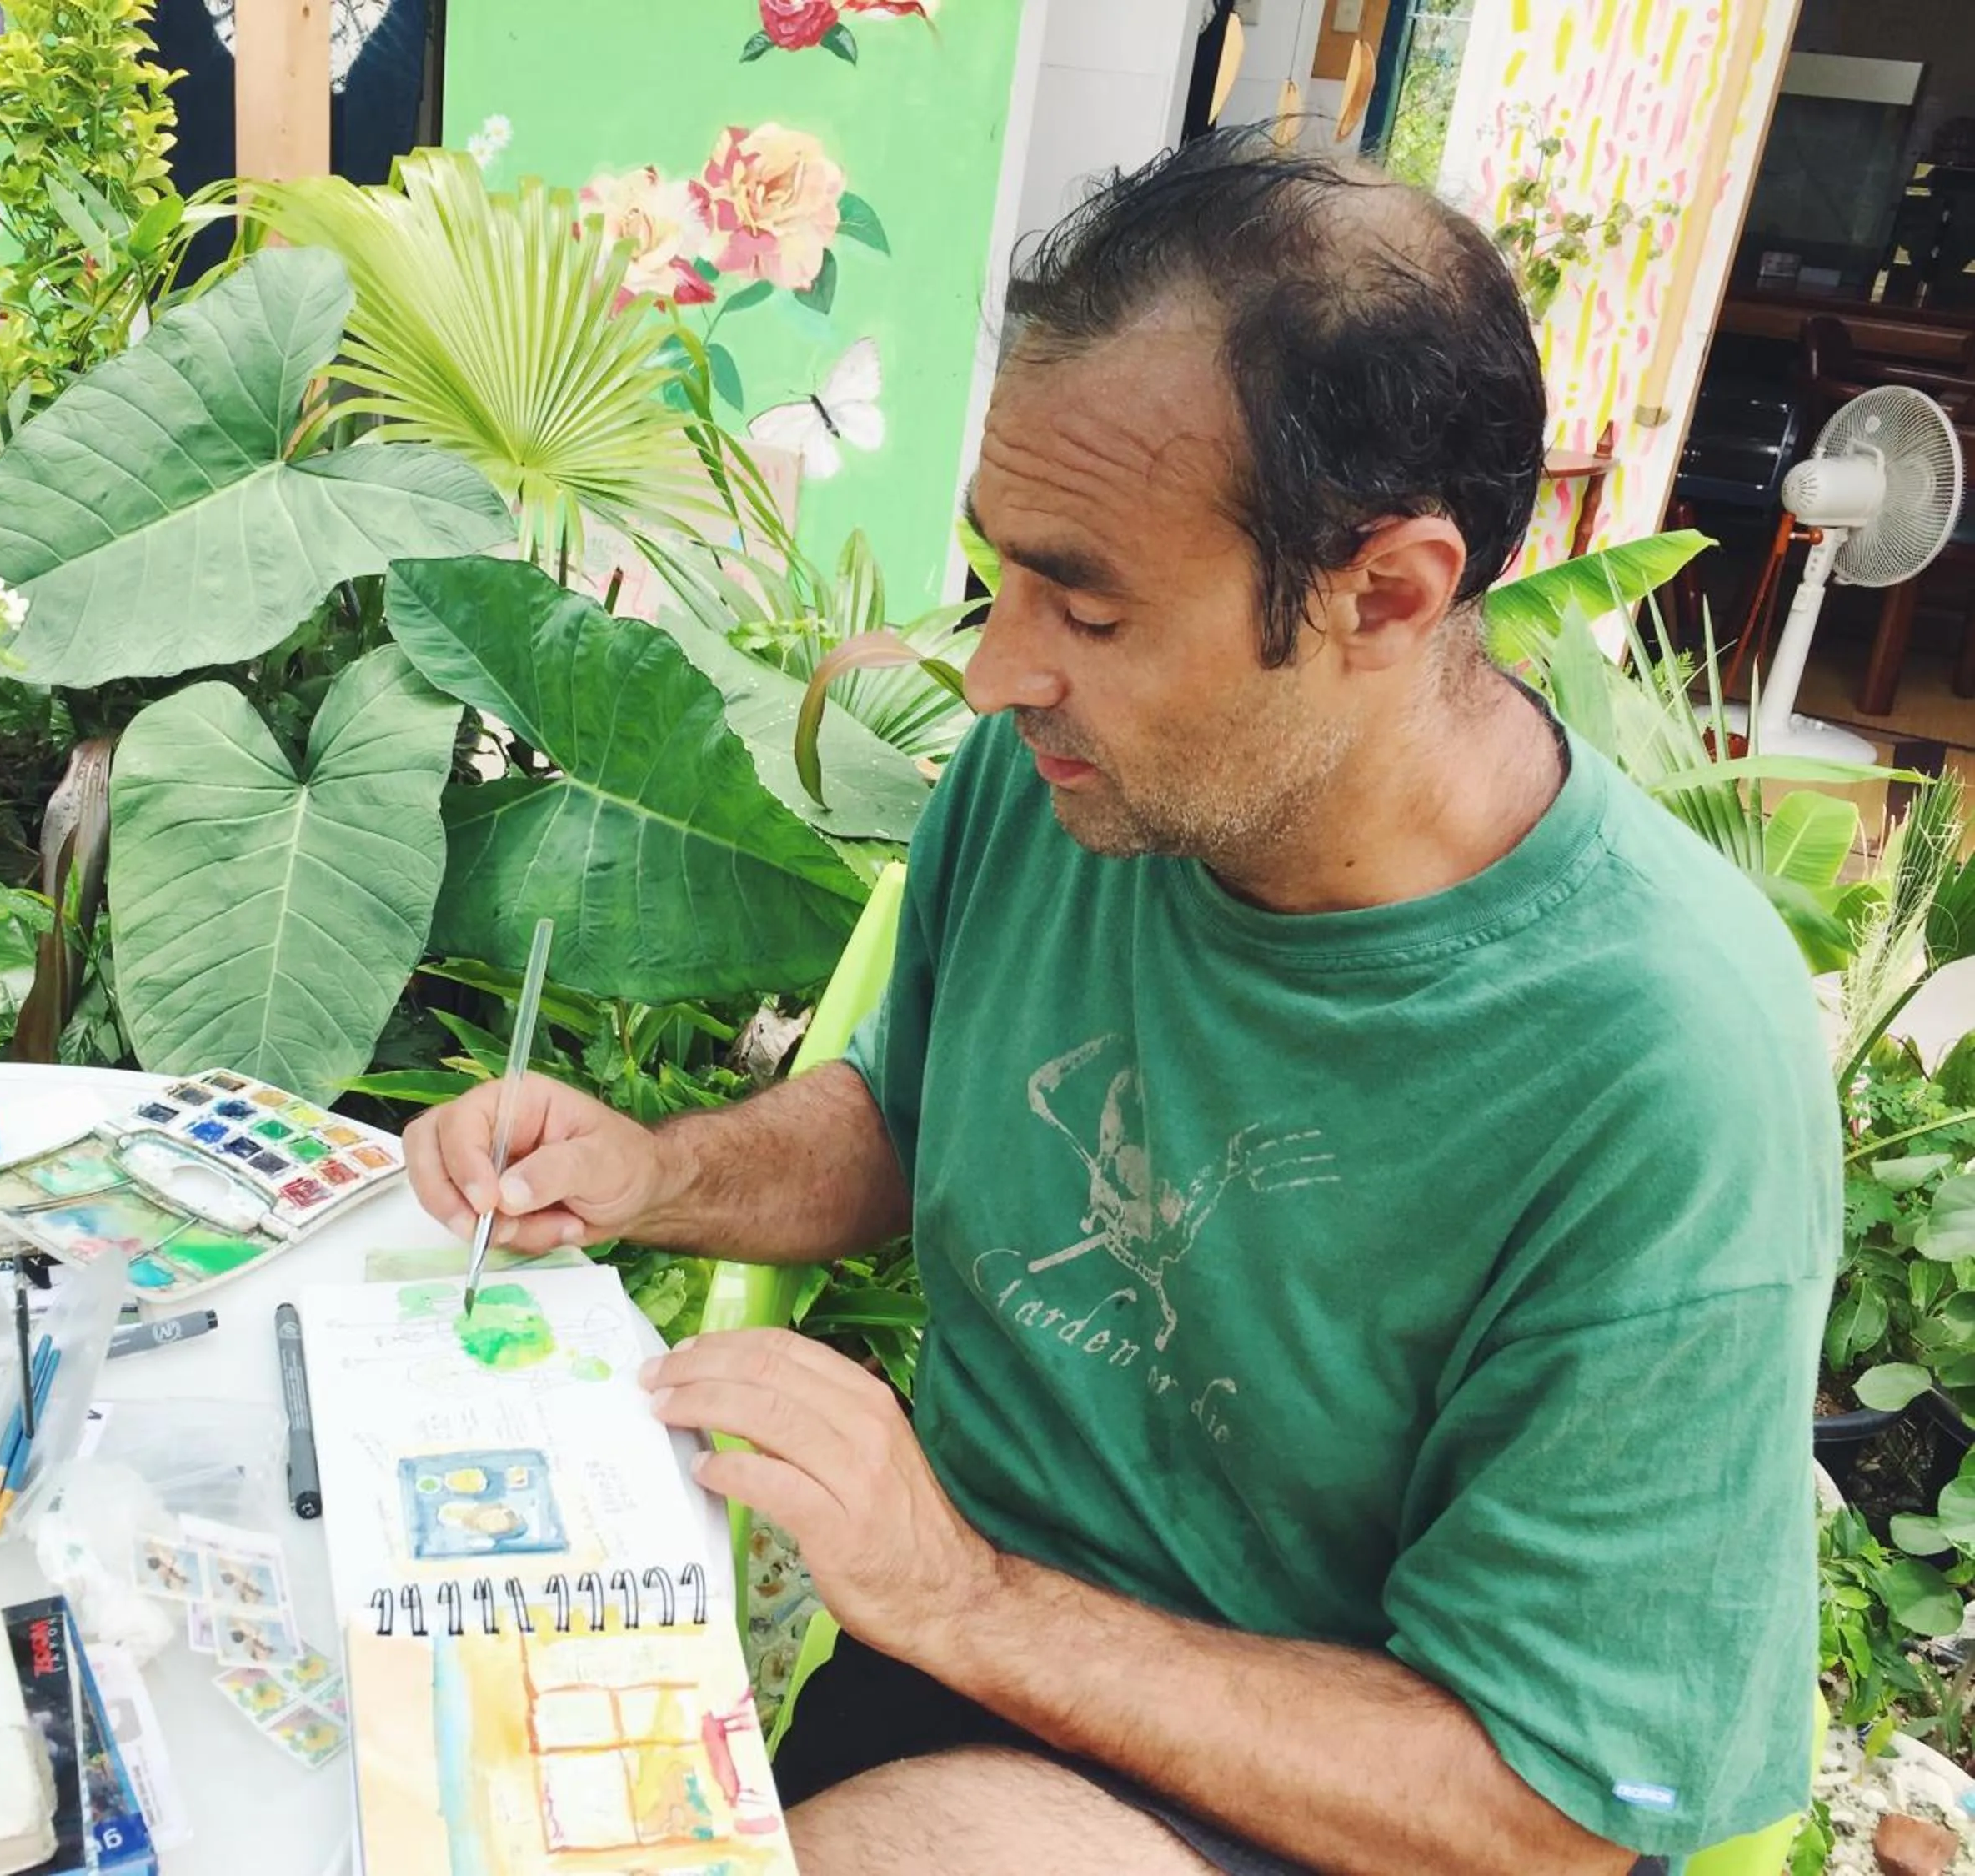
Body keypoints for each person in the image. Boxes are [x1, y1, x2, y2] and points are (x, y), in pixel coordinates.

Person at [405, 128, 1837, 1876]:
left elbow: (1543, 1808)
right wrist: (652, 1172)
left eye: (1085, 604)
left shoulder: (1663, 1063)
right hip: (952, 1670)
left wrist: (963, 1596)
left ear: (1383, 596)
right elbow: (910, 1114)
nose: (998, 668)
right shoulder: (1075, 772)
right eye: (1006, 568)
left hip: (1333, 1799)